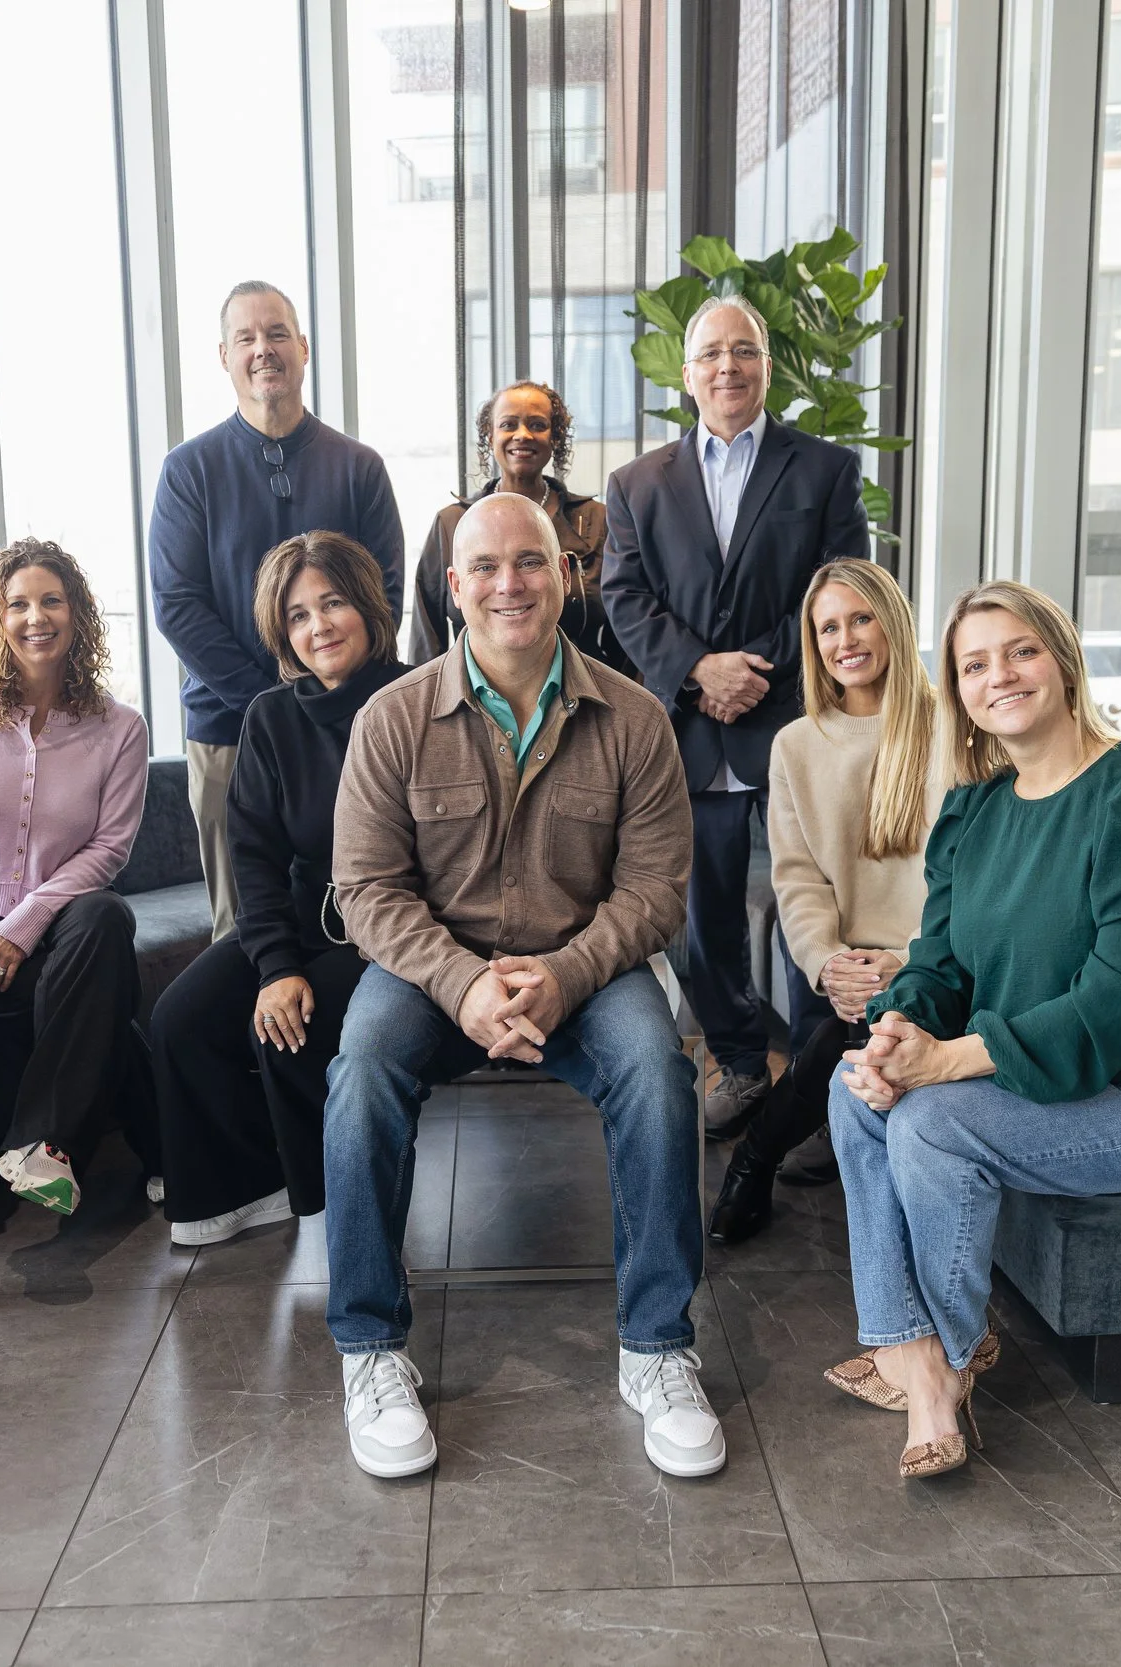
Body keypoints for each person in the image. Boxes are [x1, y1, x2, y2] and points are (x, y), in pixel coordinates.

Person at [322, 493, 713, 1482]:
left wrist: (567, 971)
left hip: (582, 968)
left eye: (530, 562)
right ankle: (370, 1349)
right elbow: (368, 891)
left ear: (567, 573)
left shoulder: (632, 718)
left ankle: (658, 1347)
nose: (510, 583)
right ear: (453, 587)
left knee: (658, 1073)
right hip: (429, 974)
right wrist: (460, 984)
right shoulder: (391, 718)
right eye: (485, 566)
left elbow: (656, 889)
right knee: (361, 1069)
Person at [827, 581, 1121, 1479]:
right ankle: (916, 1350)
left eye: (1019, 651)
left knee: (933, 1120)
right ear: (958, 693)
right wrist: (899, 1033)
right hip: (1032, 1070)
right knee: (852, 1085)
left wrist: (946, 1065)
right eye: (974, 664)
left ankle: (946, 1366)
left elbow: (1111, 1003)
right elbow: (940, 965)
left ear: (1063, 659)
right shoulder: (975, 811)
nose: (999, 675)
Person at [601, 294, 869, 1135]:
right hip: (687, 731)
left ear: (767, 367)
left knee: (815, 907)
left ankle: (825, 1093)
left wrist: (756, 670)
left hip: (792, 721)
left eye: (744, 351)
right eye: (711, 353)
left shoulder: (823, 470)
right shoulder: (636, 484)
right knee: (700, 913)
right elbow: (624, 594)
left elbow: (843, 585)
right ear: (686, 377)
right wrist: (696, 671)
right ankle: (745, 1064)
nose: (728, 366)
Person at [147, 530, 403, 1245]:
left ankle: (331, 1212)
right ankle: (247, 1182)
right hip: (304, 910)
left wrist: (292, 982)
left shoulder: (419, 695)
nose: (318, 626)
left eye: (333, 603)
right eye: (298, 614)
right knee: (181, 1018)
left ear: (368, 608)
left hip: (397, 923)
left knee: (294, 1028)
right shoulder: (271, 715)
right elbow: (253, 854)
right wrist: (277, 964)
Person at [149, 280, 404, 940]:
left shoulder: (360, 468)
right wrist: (276, 704)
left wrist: (321, 701)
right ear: (225, 357)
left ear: (304, 348)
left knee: (367, 922)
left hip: (353, 732)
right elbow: (178, 606)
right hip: (228, 732)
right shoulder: (189, 471)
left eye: (277, 333)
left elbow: (387, 597)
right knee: (245, 935)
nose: (264, 349)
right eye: (246, 338)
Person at [707, 559, 938, 1244]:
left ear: (891, 621)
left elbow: (971, 881)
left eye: (861, 617)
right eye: (828, 626)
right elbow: (799, 879)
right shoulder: (796, 745)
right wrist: (829, 961)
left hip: (936, 954)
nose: (847, 639)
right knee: (862, 1017)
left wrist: (909, 959)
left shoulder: (951, 728)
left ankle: (755, 1154)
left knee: (877, 1021)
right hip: (855, 967)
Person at [0, 538, 149, 1217]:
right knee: (102, 991)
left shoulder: (120, 727)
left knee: (104, 915)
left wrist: (26, 924)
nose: (36, 617)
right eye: (16, 603)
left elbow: (109, 849)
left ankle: (41, 1144)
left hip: (63, 926)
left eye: (51, 600)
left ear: (78, 614)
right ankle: (175, 1152)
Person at [407, 379, 633, 679]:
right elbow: (426, 636)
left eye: (537, 425)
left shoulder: (596, 520)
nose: (522, 435)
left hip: (587, 693)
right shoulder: (452, 524)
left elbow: (626, 621)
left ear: (556, 437)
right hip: (471, 697)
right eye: (508, 424)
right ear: (490, 436)